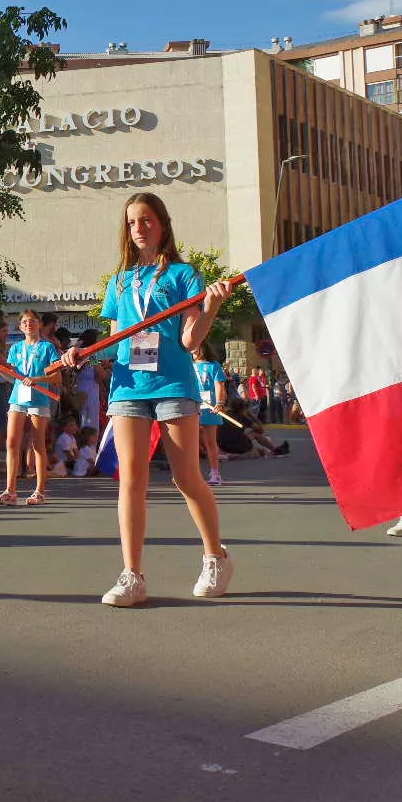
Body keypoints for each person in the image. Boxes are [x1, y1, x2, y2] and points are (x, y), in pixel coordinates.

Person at [65, 192, 234, 607]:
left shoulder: (183, 275)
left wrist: (210, 306)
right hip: (127, 387)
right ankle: (132, 575)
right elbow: (115, 340)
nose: (138, 229)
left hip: (174, 385)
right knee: (130, 479)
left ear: (162, 223)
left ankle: (216, 556)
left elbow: (190, 339)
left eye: (145, 220)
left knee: (185, 477)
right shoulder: (120, 281)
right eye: (131, 223)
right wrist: (77, 352)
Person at [0, 310, 58, 506]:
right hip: (18, 397)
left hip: (39, 398)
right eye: (24, 322)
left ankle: (39, 491)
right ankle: (10, 491)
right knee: (12, 442)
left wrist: (37, 379)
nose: (28, 324)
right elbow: (11, 378)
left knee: (37, 444)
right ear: (20, 327)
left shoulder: (48, 347)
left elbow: (57, 377)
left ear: (39, 324)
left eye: (32, 321)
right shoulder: (15, 348)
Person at [193, 345, 228, 488]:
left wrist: (220, 402)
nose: (194, 351)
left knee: (210, 442)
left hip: (210, 407)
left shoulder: (214, 365)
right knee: (191, 442)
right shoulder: (188, 365)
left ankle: (215, 473)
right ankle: (191, 474)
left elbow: (219, 385)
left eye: (197, 347)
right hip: (193, 406)